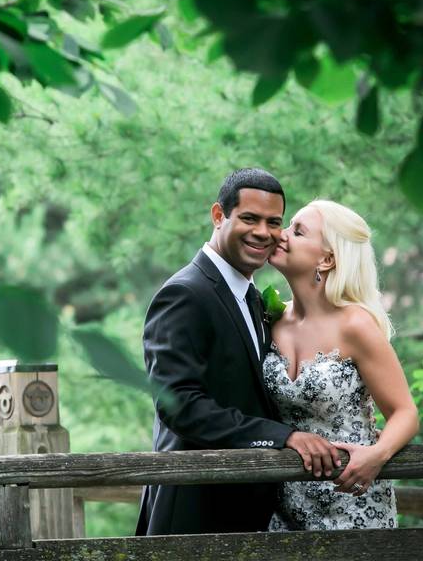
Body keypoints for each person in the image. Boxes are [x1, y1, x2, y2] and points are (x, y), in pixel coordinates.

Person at [135, 168, 342, 535]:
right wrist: (284, 436)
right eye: (249, 218)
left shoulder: (253, 298)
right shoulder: (185, 294)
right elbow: (179, 406)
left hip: (253, 512)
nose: (263, 232)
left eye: (273, 222)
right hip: (196, 513)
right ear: (219, 215)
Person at [263, 199, 419, 530]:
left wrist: (376, 456)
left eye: (298, 231)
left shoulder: (355, 325)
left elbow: (405, 413)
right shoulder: (270, 319)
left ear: (327, 258)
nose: (281, 234)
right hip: (284, 503)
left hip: (353, 499)